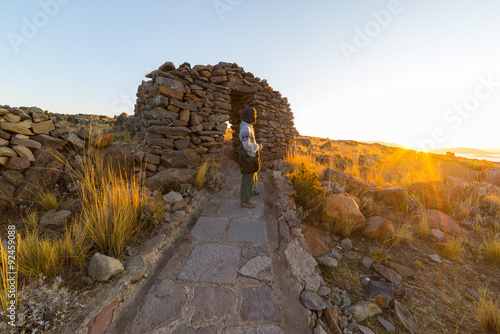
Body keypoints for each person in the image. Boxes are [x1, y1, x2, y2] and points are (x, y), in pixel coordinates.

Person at [239, 107, 261, 208]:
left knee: (253, 175)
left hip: (252, 156)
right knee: (248, 178)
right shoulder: (245, 128)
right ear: (249, 115)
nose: (255, 116)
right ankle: (245, 201)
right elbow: (246, 145)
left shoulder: (249, 126)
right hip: (248, 157)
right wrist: (258, 147)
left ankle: (251, 190)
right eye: (254, 114)